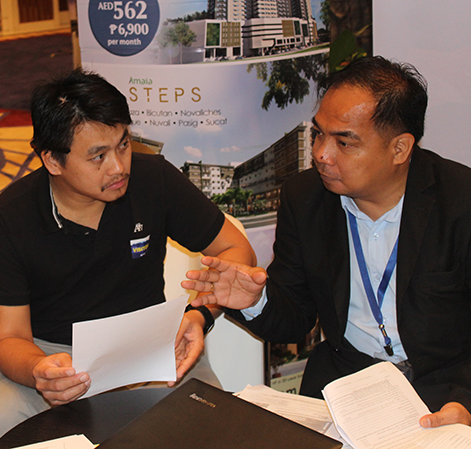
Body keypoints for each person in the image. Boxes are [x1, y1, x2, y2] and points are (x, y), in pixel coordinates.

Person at [0, 69, 256, 447]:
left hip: (151, 346)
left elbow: (235, 250)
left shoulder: (154, 179)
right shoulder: (9, 218)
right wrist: (40, 370)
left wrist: (199, 315)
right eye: (98, 156)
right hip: (55, 355)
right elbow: (9, 337)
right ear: (52, 160)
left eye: (123, 145)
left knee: (214, 426)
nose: (119, 167)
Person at [186, 56, 471, 429]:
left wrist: (465, 402)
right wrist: (255, 301)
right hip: (344, 385)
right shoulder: (306, 197)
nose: (321, 153)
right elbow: (295, 319)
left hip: (443, 391)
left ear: (400, 149)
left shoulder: (460, 202)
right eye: (319, 134)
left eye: (344, 142)